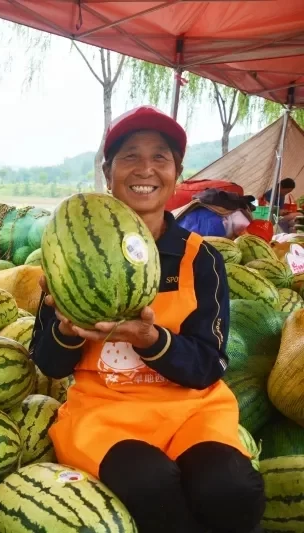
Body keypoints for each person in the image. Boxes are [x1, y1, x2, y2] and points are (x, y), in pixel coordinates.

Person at [31, 105, 265, 533]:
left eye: (160, 157)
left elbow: (208, 365)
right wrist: (66, 330)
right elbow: (48, 363)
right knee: (148, 483)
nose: (146, 168)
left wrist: (150, 339)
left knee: (230, 488)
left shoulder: (201, 257)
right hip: (105, 416)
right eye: (130, 156)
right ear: (108, 171)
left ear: (176, 173)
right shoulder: (68, 253)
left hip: (193, 412)